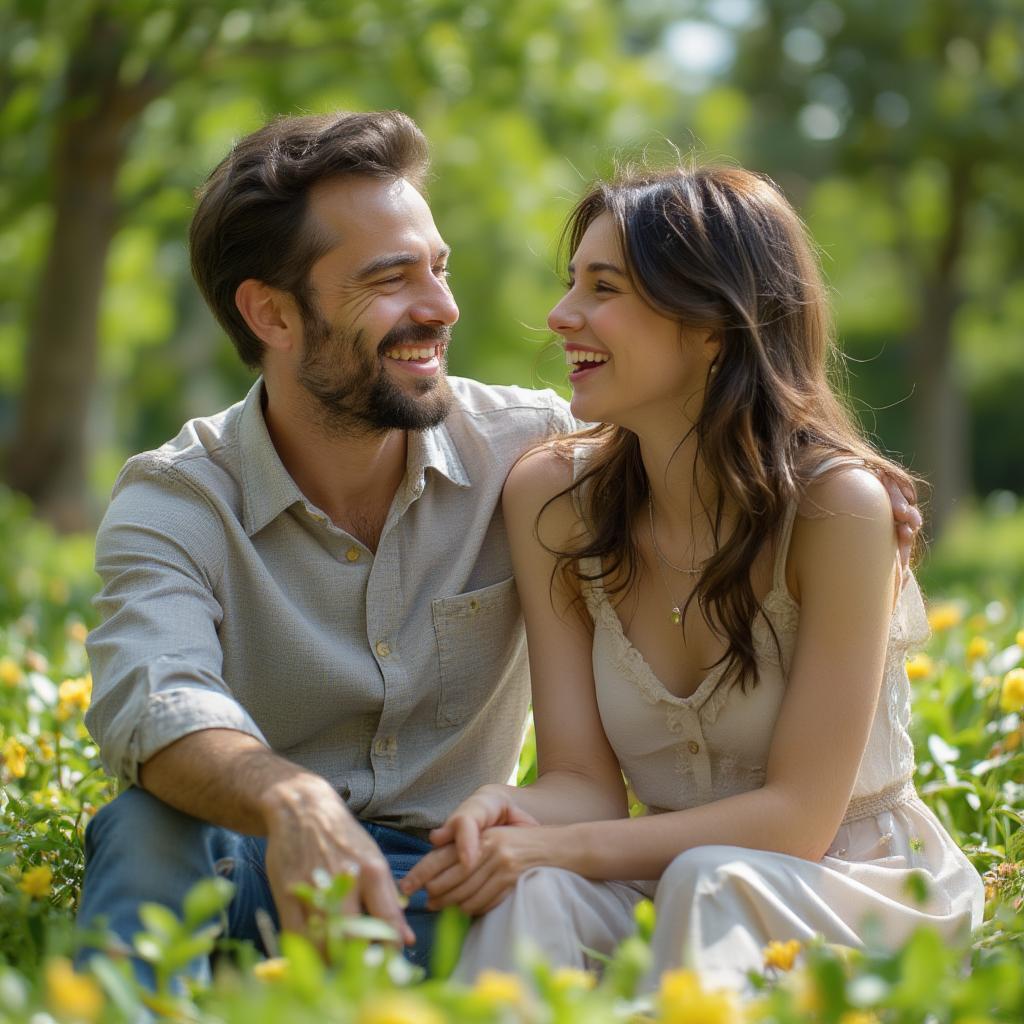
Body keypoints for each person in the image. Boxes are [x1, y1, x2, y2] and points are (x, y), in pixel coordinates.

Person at [79, 113, 919, 979]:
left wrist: (835, 480)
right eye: (389, 279)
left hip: (445, 878)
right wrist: (290, 802)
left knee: (554, 901)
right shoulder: (177, 496)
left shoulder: (532, 453)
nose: (442, 307)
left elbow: (708, 432)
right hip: (261, 856)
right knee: (147, 826)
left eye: (437, 269)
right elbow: (157, 701)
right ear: (272, 315)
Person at [400, 164, 985, 991]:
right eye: (572, 284)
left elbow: (797, 820)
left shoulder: (837, 512)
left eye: (604, 288)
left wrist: (565, 844)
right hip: (668, 875)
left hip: (853, 881)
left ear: (714, 324)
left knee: (710, 881)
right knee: (533, 891)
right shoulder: (553, 500)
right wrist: (511, 817)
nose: (562, 316)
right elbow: (582, 786)